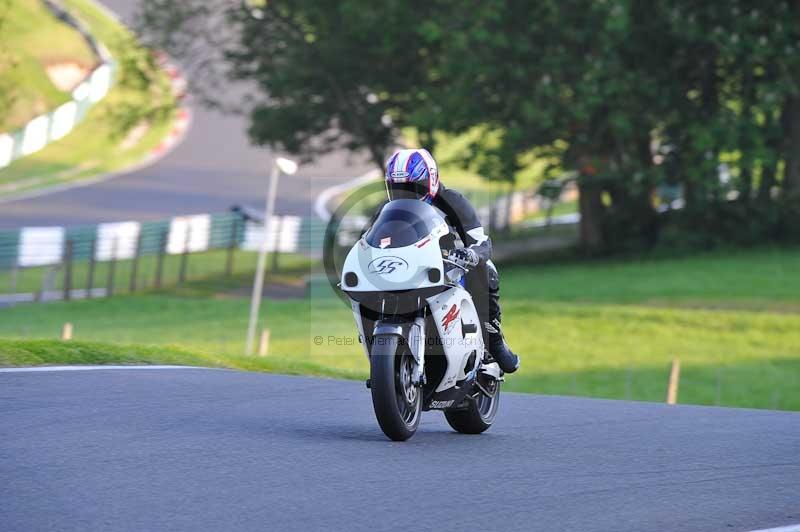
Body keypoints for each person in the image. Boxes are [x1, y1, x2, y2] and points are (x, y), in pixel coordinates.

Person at [382, 147, 520, 373]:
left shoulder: (453, 202)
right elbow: (371, 241)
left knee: (488, 269)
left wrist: (471, 254)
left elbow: (482, 242)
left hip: (450, 268)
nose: (406, 194)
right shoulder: (388, 210)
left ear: (432, 180)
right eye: (399, 188)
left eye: (413, 187)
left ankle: (493, 339)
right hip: (408, 269)